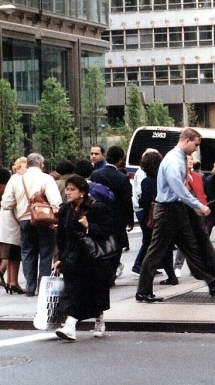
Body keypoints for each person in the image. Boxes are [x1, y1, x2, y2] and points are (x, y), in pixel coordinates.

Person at [136, 128, 215, 302]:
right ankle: (143, 291)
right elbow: (179, 189)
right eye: (195, 144)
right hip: (168, 210)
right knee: (156, 250)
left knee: (192, 246)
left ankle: (212, 283)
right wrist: (198, 205)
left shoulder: (178, 158)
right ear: (187, 140)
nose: (196, 148)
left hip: (175, 209)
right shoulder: (173, 160)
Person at [52, 175, 113, 341]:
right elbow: (61, 237)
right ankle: (70, 325)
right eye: (67, 189)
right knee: (73, 292)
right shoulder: (65, 210)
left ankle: (99, 319)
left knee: (94, 292)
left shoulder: (97, 208)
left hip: (93, 259)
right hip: (72, 258)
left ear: (82, 192)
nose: (68, 193)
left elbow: (107, 232)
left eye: (72, 190)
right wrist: (59, 258)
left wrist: (89, 226)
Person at [1, 153, 62, 297]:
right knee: (46, 253)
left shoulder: (16, 180)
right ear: (41, 163)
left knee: (28, 253)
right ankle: (43, 286)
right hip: (44, 221)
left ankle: (30, 287)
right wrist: (56, 218)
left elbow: (6, 203)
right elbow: (56, 202)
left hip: (24, 221)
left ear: (27, 164)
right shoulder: (46, 178)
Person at [90, 146, 133, 285]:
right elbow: (127, 201)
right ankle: (112, 272)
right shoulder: (122, 178)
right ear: (120, 160)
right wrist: (129, 219)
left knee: (101, 244)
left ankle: (103, 272)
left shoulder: (96, 174)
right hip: (117, 217)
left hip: (98, 215)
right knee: (117, 245)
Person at [133, 150, 174, 284]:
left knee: (153, 248)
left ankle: (145, 279)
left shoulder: (146, 181)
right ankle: (171, 275)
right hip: (167, 215)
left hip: (151, 217)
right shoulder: (165, 178)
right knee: (166, 247)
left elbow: (144, 202)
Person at [172, 154, 208, 277]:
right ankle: (177, 266)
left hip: (199, 210)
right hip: (186, 211)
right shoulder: (179, 177)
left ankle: (199, 267)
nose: (190, 162)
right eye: (187, 160)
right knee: (185, 240)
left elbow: (201, 193)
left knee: (200, 239)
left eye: (191, 159)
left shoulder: (198, 176)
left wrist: (203, 205)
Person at [0, 166, 24, 295]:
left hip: (6, 226)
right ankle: (13, 281)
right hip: (12, 225)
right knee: (14, 254)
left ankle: (11, 281)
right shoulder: (14, 182)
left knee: (10, 255)